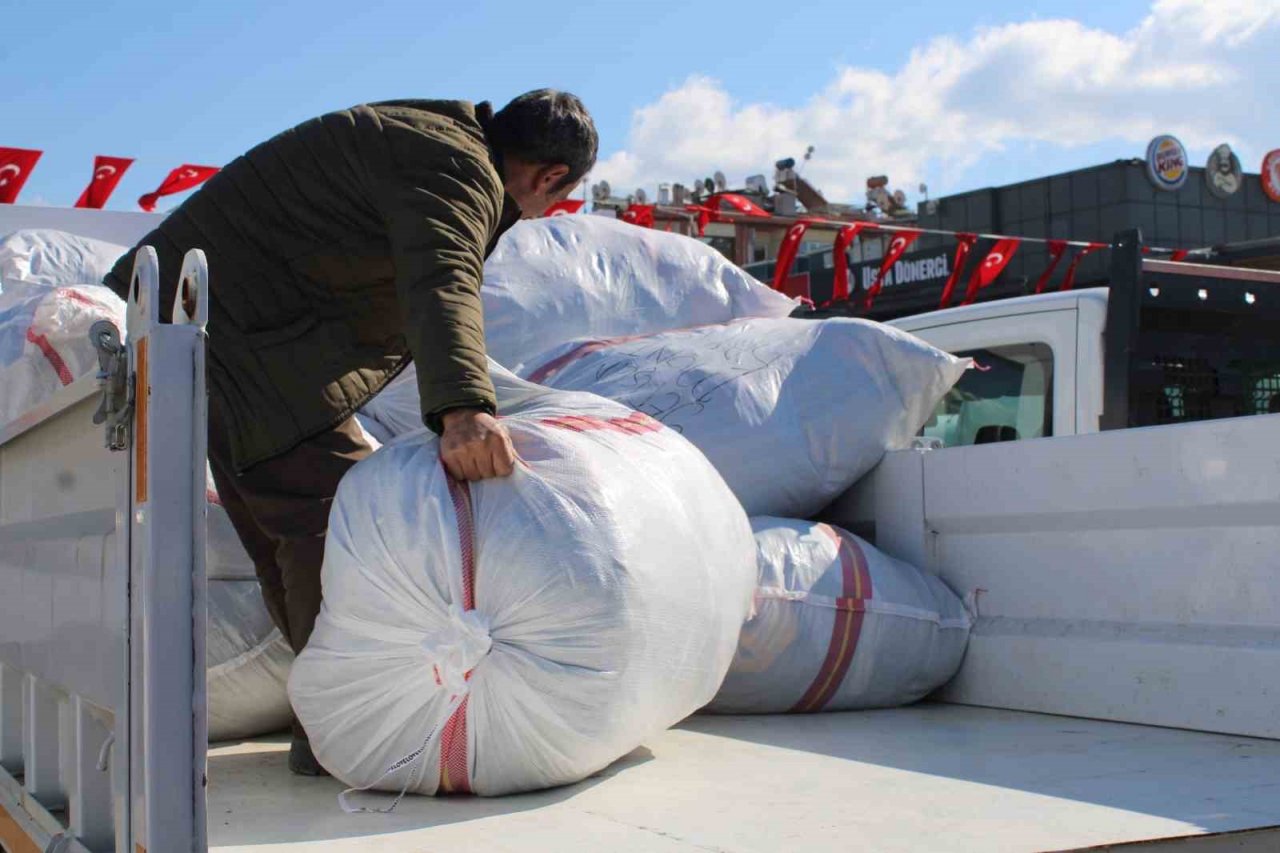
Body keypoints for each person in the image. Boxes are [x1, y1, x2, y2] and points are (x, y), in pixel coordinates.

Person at [104, 90, 598, 775]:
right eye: (559, 197)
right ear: (549, 176)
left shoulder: (428, 136)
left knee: (286, 528)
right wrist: (464, 410)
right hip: (245, 340)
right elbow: (443, 277)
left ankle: (328, 720)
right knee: (341, 525)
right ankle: (350, 726)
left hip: (208, 330)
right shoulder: (458, 166)